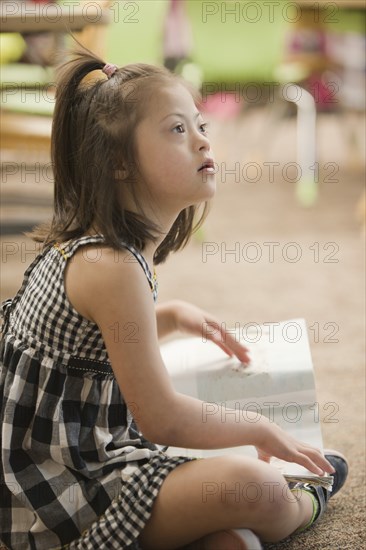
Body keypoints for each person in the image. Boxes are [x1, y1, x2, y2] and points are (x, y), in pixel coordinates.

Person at [0, 49, 348, 550]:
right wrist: (257, 427)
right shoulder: (111, 267)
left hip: (82, 457)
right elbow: (161, 416)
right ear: (119, 163)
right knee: (259, 487)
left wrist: (170, 316)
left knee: (232, 521)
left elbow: (92, 344)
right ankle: (307, 499)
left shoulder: (109, 253)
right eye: (177, 129)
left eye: (199, 124)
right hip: (57, 494)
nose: (203, 138)